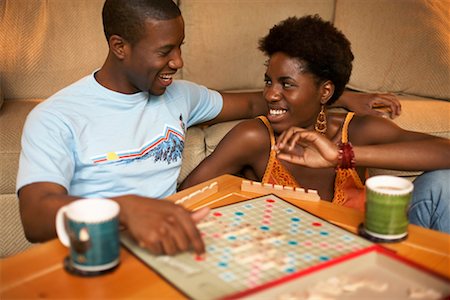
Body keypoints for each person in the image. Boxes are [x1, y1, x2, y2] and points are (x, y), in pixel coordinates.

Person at [16, 0, 403, 257]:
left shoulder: (180, 96)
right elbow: (35, 217)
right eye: (165, 51)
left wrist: (341, 97)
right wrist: (123, 208)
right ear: (119, 46)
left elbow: (259, 101)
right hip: (96, 251)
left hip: (169, 246)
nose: (178, 62)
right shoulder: (57, 116)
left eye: (180, 47)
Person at [180, 15, 450, 233]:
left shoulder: (358, 130)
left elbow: (445, 153)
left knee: (443, 182)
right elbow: (184, 199)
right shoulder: (255, 136)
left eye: (287, 84)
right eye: (268, 81)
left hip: (367, 259)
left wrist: (342, 156)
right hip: (287, 266)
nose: (270, 94)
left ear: (325, 92)